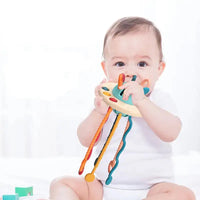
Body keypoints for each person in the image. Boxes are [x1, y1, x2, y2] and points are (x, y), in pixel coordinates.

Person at [49, 17, 196, 200]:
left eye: (142, 64)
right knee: (61, 183)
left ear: (159, 69)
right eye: (120, 64)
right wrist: (98, 112)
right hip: (103, 188)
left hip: (152, 189)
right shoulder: (106, 101)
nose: (130, 73)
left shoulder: (160, 99)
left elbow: (171, 132)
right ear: (106, 68)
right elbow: (85, 139)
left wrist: (142, 102)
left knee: (183, 194)